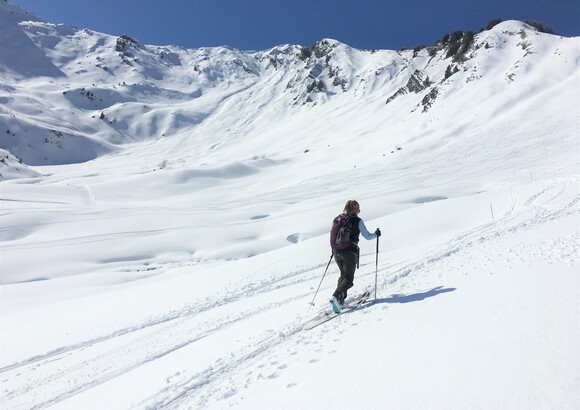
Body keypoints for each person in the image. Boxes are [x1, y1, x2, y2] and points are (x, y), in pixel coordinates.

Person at [330, 200, 380, 312]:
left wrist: (334, 250)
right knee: (348, 279)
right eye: (358, 207)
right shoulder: (357, 221)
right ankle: (336, 296)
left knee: (343, 275)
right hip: (350, 252)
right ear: (355, 208)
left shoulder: (339, 219)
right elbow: (367, 236)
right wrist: (376, 235)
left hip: (336, 252)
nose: (359, 209)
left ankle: (340, 301)